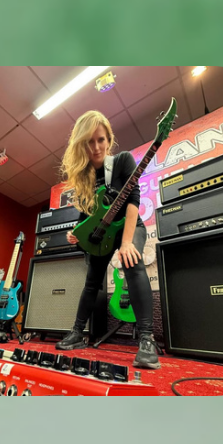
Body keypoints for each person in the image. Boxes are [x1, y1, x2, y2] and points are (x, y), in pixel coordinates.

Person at [52, 111, 160, 371]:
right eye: (89, 141)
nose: (96, 147)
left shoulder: (122, 161)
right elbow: (86, 216)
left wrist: (126, 243)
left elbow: (133, 200)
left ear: (109, 140)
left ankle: (147, 339)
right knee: (92, 282)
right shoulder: (84, 176)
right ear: (82, 144)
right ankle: (77, 332)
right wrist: (76, 233)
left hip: (128, 226)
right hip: (102, 233)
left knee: (132, 263)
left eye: (100, 140)